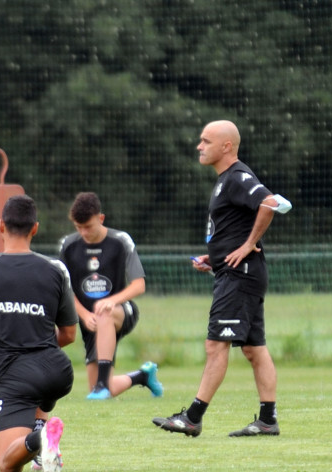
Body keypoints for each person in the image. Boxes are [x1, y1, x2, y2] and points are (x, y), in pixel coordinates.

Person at [153, 119, 291, 438]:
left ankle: (192, 417)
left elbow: (271, 203)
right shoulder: (225, 180)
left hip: (239, 276)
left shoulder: (237, 177)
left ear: (226, 146)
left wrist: (246, 245)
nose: (199, 146)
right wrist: (213, 258)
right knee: (254, 349)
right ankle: (267, 420)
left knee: (216, 345)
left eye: (205, 141)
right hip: (240, 273)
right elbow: (236, 225)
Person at [0, 195, 76, 472]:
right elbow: (69, 333)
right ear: (35, 228)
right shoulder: (56, 270)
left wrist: (10, 357)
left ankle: (37, 440)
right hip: (57, 371)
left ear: (1, 226)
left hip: (15, 375)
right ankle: (42, 441)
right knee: (42, 384)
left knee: (7, 463)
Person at [58, 192, 163, 400]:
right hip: (90, 320)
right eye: (78, 227)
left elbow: (139, 285)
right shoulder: (68, 246)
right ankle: (143, 376)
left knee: (105, 312)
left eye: (88, 226)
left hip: (121, 312)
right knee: (103, 387)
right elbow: (65, 290)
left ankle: (101, 386)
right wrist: (84, 316)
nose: (83, 232)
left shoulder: (121, 241)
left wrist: (112, 301)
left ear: (101, 218)